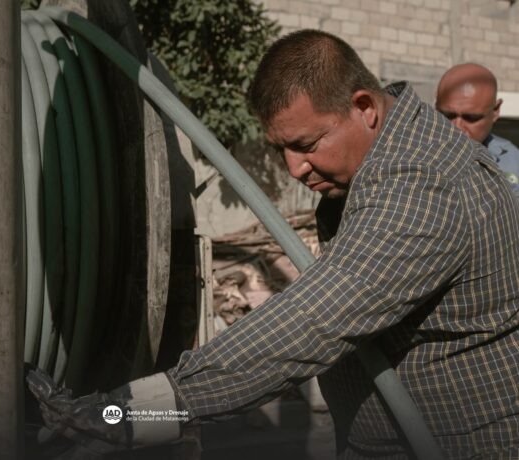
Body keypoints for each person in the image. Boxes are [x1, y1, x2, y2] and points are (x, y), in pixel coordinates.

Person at [28, 30, 519, 459]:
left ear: (365, 108)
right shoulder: (389, 151)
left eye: (306, 145)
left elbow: (311, 325)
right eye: (279, 148)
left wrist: (121, 416)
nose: (293, 169)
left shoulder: (424, 189)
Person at [436, 63, 519, 200]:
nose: (457, 128)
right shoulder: (410, 154)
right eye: (448, 116)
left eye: (471, 118)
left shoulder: (512, 160)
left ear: (495, 111)